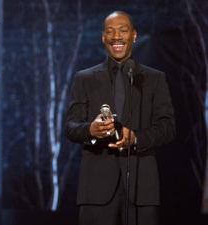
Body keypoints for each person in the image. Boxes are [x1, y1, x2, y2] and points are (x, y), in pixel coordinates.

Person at [65, 11, 176, 225]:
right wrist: (91, 130)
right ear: (103, 38)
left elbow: (168, 127)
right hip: (95, 188)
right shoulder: (84, 78)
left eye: (123, 31)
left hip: (141, 187)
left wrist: (136, 138)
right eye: (110, 31)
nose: (117, 36)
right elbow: (71, 126)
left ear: (134, 35)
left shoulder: (154, 79)